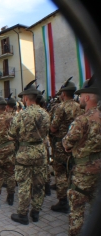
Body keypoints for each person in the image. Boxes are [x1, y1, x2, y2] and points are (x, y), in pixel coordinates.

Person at [54, 76, 101, 236]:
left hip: (83, 171)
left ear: (87, 98)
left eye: (81, 96)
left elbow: (67, 144)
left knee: (77, 208)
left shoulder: (82, 120)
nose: (79, 98)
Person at [8, 80, 50, 225]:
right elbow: (46, 133)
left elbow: (11, 135)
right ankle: (36, 212)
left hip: (24, 153)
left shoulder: (20, 115)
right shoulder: (45, 114)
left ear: (26, 98)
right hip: (40, 151)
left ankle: (23, 214)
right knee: (39, 184)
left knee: (24, 184)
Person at [49, 78, 83, 213]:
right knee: (71, 171)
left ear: (63, 93)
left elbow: (53, 128)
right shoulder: (79, 106)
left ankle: (63, 201)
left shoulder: (60, 107)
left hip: (61, 145)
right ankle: (74, 196)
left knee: (60, 173)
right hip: (75, 144)